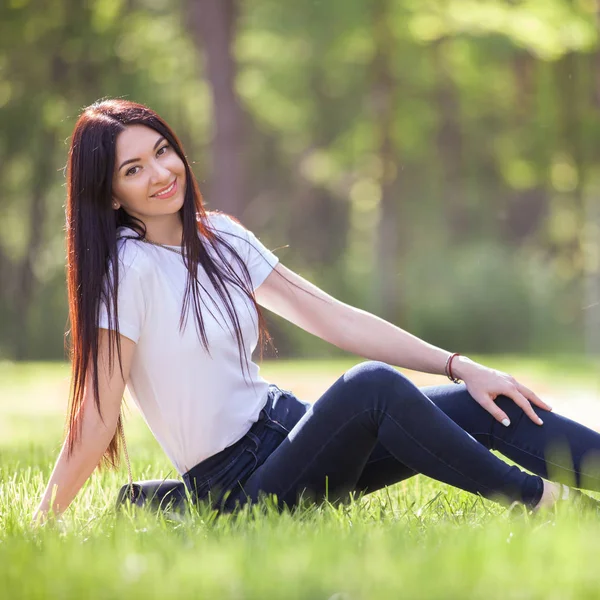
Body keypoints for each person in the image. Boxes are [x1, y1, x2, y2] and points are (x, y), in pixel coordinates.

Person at [33, 99, 600, 524]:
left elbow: (332, 317)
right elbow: (96, 420)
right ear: (109, 194)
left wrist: (460, 365)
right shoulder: (126, 271)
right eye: (133, 169)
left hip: (291, 434)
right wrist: (38, 526)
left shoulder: (220, 237)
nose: (160, 174)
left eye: (161, 151)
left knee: (486, 402)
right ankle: (548, 505)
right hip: (240, 484)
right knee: (371, 387)